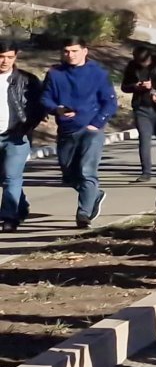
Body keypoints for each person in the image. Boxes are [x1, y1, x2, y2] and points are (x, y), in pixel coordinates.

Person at [42, 37, 117, 229]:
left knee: (86, 170)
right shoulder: (55, 74)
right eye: (66, 51)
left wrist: (96, 123)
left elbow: (109, 102)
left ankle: (83, 214)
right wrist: (56, 109)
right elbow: (45, 99)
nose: (70, 55)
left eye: (74, 51)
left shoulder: (98, 73)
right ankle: (95, 194)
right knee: (69, 175)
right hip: (67, 129)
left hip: (91, 129)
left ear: (85, 51)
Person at [0, 40, 46, 232]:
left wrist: (26, 127)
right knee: (4, 177)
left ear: (16, 57)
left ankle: (9, 218)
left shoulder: (28, 80)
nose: (5, 61)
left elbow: (40, 107)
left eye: (10, 57)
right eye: (1, 57)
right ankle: (21, 205)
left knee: (12, 176)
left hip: (16, 135)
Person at [120, 46, 156, 180]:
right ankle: (146, 172)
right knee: (144, 139)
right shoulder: (132, 67)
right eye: (140, 61)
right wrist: (135, 86)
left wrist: (153, 87)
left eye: (145, 61)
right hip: (141, 108)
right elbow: (124, 86)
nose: (143, 63)